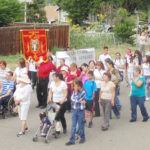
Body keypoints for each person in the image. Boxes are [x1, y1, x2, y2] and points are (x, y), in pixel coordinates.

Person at [66, 80, 86, 146]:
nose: (74, 87)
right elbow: (72, 99)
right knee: (73, 126)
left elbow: (78, 99)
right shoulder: (74, 91)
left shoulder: (83, 92)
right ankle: (72, 140)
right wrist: (78, 100)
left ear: (79, 86)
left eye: (75, 86)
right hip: (74, 110)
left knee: (81, 125)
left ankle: (82, 138)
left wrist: (78, 99)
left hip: (80, 111)